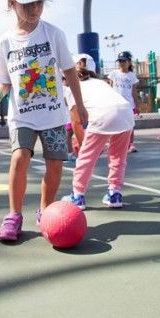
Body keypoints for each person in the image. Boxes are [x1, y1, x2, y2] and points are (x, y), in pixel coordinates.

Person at [0, 0, 87, 242]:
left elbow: (70, 72)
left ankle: (46, 212)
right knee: (20, 157)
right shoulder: (4, 42)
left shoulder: (54, 34)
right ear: (11, 3)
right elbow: (5, 82)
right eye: (27, 2)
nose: (35, 8)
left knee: (55, 165)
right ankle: (13, 215)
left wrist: (80, 104)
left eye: (39, 2)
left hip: (53, 114)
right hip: (22, 117)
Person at [61, 54, 135, 210]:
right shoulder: (101, 83)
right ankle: (114, 194)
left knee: (86, 158)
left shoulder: (72, 89)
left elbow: (76, 121)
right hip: (126, 113)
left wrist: (82, 146)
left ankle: (77, 195)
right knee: (118, 157)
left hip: (103, 115)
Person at [108, 50, 139, 152]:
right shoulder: (113, 74)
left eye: (124, 61)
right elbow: (109, 88)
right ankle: (116, 144)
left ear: (129, 62)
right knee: (116, 125)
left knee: (130, 125)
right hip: (116, 104)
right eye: (120, 61)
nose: (121, 63)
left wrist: (137, 105)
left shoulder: (132, 76)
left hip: (129, 105)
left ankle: (131, 144)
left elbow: (134, 92)